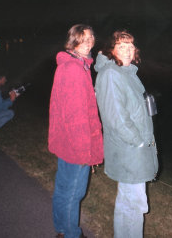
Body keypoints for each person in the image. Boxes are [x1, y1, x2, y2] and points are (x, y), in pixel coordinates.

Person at [94, 30, 159, 238]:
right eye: (122, 46)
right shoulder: (111, 74)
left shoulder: (128, 73)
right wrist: (139, 142)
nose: (128, 51)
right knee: (132, 205)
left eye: (130, 46)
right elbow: (116, 118)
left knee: (130, 204)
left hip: (135, 149)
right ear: (111, 50)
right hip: (130, 150)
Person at [48, 24, 103, 238]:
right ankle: (71, 233)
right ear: (73, 41)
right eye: (83, 38)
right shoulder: (74, 69)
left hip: (67, 141)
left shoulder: (76, 65)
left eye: (91, 37)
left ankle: (62, 229)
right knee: (73, 192)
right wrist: (83, 150)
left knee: (64, 189)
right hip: (76, 143)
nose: (89, 41)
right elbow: (75, 115)